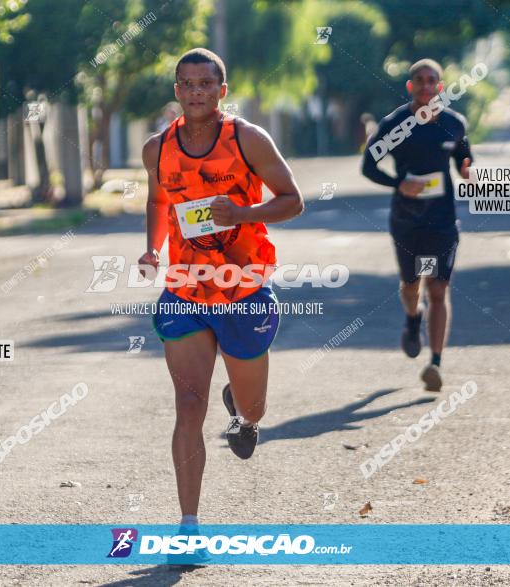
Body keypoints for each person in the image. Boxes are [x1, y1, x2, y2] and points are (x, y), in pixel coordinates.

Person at [138, 47, 304, 552]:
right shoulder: (157, 148)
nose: (196, 92)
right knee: (189, 404)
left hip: (244, 287)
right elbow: (158, 199)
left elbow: (292, 200)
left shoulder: (248, 139)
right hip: (185, 290)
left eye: (206, 83)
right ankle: (189, 527)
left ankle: (243, 412)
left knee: (253, 407)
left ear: (221, 90)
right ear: (176, 91)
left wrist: (244, 213)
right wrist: (152, 246)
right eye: (187, 83)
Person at [361, 58, 472, 393]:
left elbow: (464, 160)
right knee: (412, 286)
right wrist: (399, 184)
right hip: (408, 221)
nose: (425, 86)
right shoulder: (396, 124)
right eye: (419, 80)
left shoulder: (454, 123)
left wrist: (467, 170)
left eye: (431, 80)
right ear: (410, 86)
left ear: (440, 86)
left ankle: (435, 363)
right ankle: (412, 319)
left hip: (441, 222)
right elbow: (369, 165)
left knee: (438, 288)